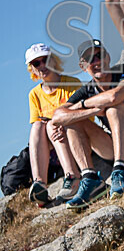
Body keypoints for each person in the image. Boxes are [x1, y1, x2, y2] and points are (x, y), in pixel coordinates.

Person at [52, 39, 124, 209]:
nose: (97, 62)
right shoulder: (88, 90)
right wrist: (90, 111)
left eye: (100, 56)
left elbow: (115, 96)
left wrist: (83, 105)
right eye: (90, 59)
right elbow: (57, 116)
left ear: (108, 57)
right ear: (83, 66)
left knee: (113, 108)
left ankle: (119, 171)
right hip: (119, 150)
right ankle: (90, 179)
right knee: (73, 121)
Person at [25, 44, 81, 206]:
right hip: (52, 148)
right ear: (33, 70)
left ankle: (73, 176)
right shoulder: (34, 94)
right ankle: (40, 184)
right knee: (38, 126)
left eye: (46, 60)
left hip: (75, 137)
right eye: (37, 64)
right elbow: (38, 124)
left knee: (50, 125)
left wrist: (62, 124)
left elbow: (85, 117)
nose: (42, 66)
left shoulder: (72, 84)